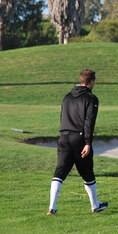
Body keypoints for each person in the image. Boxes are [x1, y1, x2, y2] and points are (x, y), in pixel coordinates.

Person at [47, 69, 107, 215]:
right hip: (79, 138)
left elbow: (62, 118)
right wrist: (88, 142)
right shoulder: (91, 99)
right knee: (87, 173)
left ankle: (52, 208)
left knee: (59, 172)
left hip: (63, 137)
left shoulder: (66, 97)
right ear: (91, 81)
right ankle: (95, 206)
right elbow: (89, 122)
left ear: (81, 80)